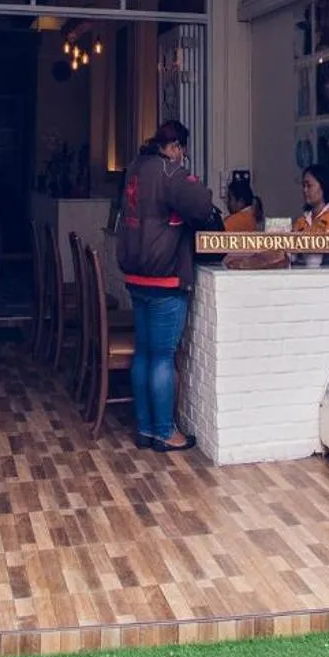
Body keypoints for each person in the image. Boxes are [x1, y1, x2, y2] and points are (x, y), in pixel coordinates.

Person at [116, 119, 220, 452]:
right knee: (162, 356)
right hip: (164, 277)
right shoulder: (169, 172)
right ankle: (164, 431)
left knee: (144, 354)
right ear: (174, 147)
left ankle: (145, 428)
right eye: (181, 152)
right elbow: (203, 204)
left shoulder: (134, 168)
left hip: (136, 276)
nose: (182, 158)